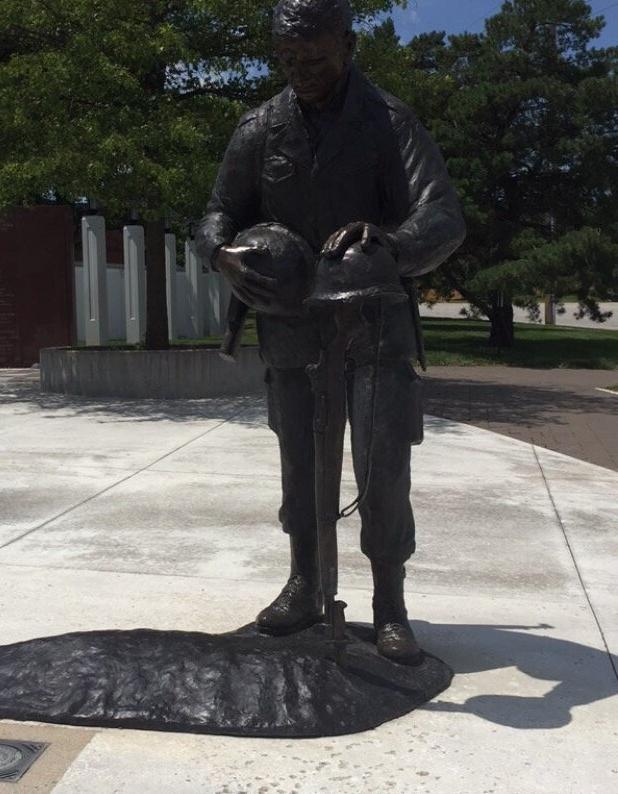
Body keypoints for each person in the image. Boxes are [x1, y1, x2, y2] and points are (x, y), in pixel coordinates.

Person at [195, 0, 465, 663]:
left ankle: (389, 603)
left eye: (314, 58)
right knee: (301, 470)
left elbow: (445, 216)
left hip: (373, 323)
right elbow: (216, 214)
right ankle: (305, 583)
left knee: (381, 470)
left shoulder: (389, 121)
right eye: (289, 60)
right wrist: (221, 255)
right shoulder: (259, 128)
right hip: (291, 328)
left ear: (347, 45)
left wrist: (393, 244)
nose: (302, 72)